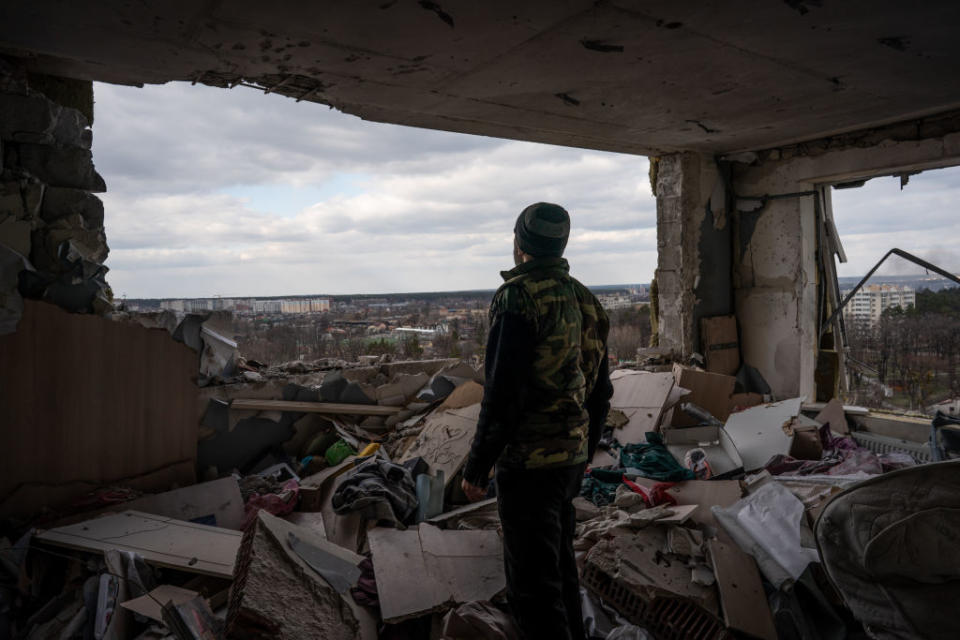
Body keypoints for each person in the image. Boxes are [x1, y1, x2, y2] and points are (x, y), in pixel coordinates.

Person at [460, 202, 613, 640]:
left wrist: (477, 466)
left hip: (529, 463)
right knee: (561, 570)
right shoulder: (585, 298)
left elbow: (503, 392)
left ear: (519, 245)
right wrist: (586, 449)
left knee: (532, 588)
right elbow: (600, 392)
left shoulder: (518, 297)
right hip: (568, 461)